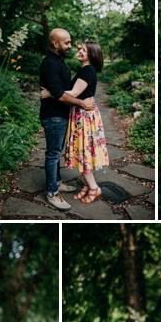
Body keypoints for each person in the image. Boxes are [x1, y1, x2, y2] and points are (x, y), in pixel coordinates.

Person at [39, 28, 93, 213]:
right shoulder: (50, 64)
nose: (70, 46)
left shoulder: (58, 61)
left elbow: (63, 89)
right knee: (53, 154)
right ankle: (52, 192)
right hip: (53, 116)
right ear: (55, 44)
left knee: (57, 152)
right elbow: (60, 95)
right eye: (67, 43)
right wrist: (82, 104)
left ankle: (57, 182)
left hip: (60, 115)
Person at [61, 41, 109, 204]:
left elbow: (74, 93)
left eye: (83, 50)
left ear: (91, 54)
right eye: (79, 48)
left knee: (83, 154)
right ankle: (89, 186)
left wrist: (51, 91)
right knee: (82, 153)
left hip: (84, 116)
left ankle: (94, 188)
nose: (79, 51)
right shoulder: (86, 70)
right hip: (82, 114)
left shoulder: (87, 71)